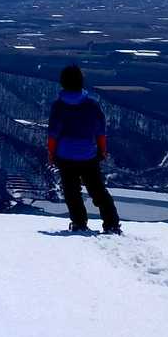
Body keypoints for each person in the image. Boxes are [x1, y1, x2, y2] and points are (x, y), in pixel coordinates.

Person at [47, 64, 122, 235]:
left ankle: (79, 223)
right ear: (81, 81)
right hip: (88, 155)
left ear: (63, 82)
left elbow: (53, 134)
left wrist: (51, 153)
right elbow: (100, 131)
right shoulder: (92, 104)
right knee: (98, 190)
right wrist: (102, 150)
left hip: (65, 156)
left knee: (71, 192)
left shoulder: (58, 106)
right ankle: (111, 224)